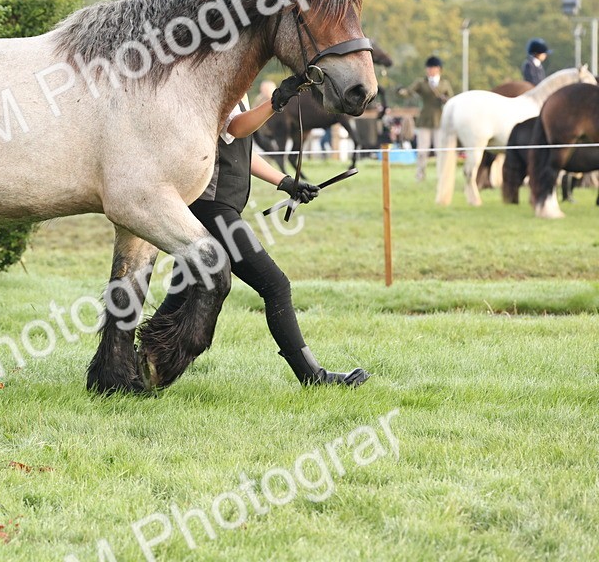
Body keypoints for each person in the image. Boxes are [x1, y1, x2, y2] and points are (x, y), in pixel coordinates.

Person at [152, 91, 370, 387]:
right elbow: (235, 128)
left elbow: (243, 149)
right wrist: (275, 102)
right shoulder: (220, 90)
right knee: (275, 285)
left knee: (181, 290)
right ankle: (313, 377)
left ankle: (138, 362)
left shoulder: (236, 91)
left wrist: (285, 182)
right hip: (213, 209)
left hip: (216, 206)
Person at [397, 56, 453, 182]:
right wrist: (400, 91)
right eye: (428, 68)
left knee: (440, 151)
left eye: (432, 68)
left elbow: (451, 100)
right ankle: (420, 175)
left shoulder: (445, 84)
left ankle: (442, 175)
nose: (429, 70)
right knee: (422, 151)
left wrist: (444, 99)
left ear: (438, 69)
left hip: (440, 120)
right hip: (425, 120)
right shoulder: (421, 82)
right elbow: (408, 92)